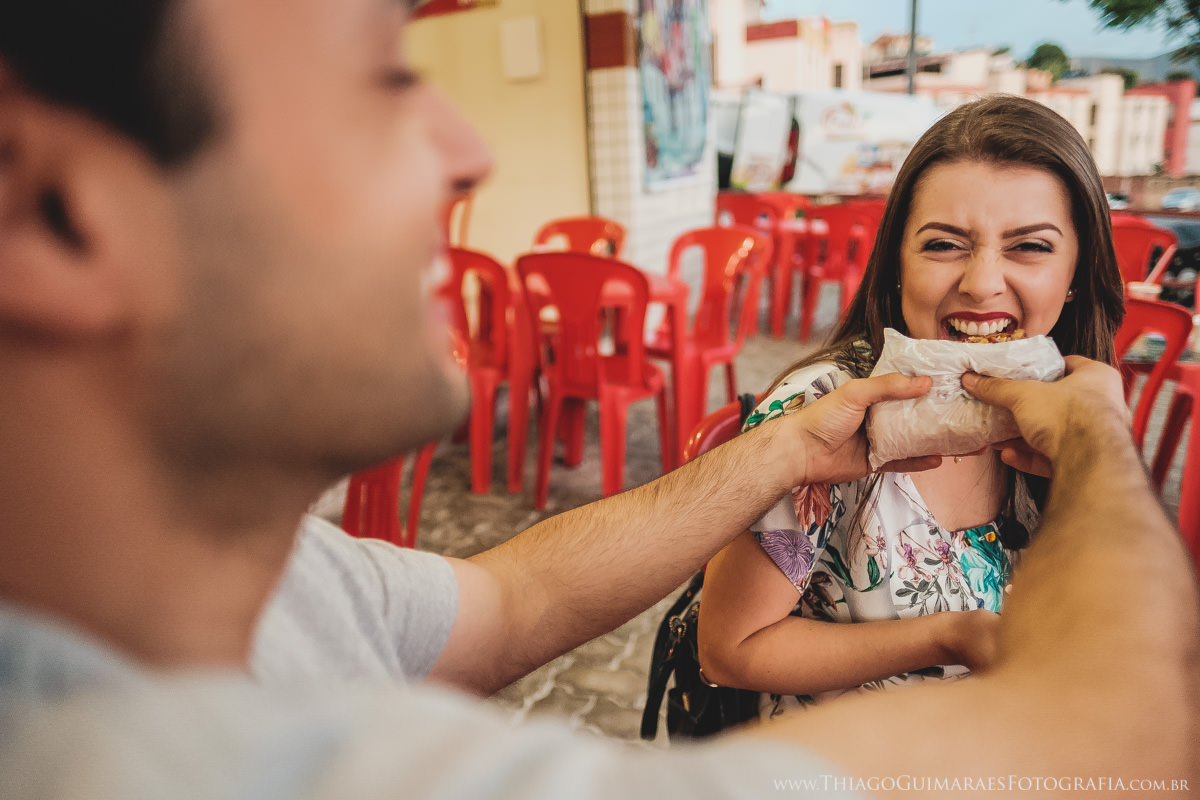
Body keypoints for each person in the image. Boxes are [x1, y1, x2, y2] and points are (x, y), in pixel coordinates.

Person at [0, 4, 1194, 797]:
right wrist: (1097, 430)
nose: (469, 149)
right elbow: (1138, 726)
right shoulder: (152, 763)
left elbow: (513, 596)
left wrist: (783, 449)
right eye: (376, 80)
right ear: (58, 214)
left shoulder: (302, 586)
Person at [697, 95, 1127, 714]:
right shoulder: (822, 412)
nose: (981, 282)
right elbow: (729, 650)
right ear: (897, 260)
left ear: (1077, 273)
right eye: (944, 245)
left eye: (1029, 247)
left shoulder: (1079, 408)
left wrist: (1100, 471)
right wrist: (949, 636)